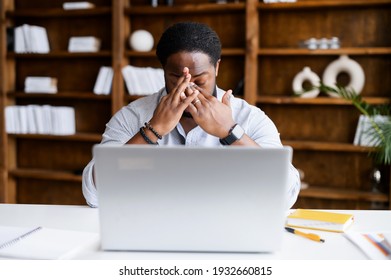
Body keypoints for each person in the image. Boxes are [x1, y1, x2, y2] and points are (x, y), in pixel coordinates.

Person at [82, 22, 300, 208]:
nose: (188, 89)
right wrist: (152, 131)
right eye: (176, 78)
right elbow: (94, 193)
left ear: (216, 68)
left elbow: (285, 195)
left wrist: (231, 132)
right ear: (163, 72)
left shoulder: (249, 117)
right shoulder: (132, 116)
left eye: (199, 80)